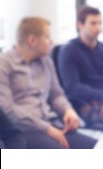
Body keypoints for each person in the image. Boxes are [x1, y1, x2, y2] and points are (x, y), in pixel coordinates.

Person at [0, 17, 96, 148]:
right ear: (32, 40)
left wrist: (68, 110)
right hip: (26, 130)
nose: (51, 42)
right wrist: (46, 129)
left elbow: (56, 95)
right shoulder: (4, 64)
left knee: (98, 147)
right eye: (47, 37)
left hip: (53, 124)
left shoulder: (46, 61)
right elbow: (8, 110)